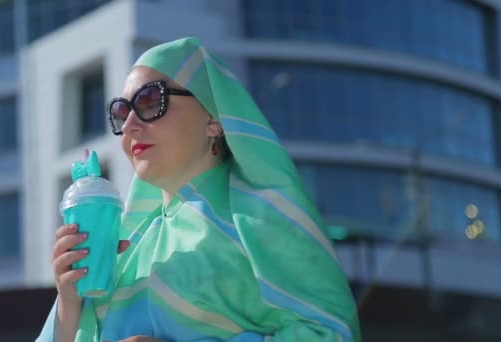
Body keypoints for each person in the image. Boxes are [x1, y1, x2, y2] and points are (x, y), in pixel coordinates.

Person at [37, 37, 361, 342]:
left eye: (150, 101)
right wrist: (69, 303)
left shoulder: (260, 218)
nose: (131, 125)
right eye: (122, 111)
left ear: (213, 119)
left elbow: (330, 333)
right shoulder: (123, 247)